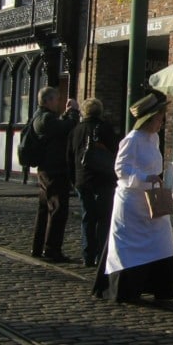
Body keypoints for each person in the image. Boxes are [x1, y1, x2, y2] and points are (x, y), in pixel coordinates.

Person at [93, 92, 173, 303]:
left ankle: (163, 287)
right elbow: (120, 169)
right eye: (160, 117)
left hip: (152, 200)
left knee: (163, 241)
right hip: (132, 203)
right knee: (131, 246)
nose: (163, 121)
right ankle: (126, 289)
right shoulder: (132, 140)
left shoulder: (153, 138)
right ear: (151, 118)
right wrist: (144, 177)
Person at [66, 98, 120, 268]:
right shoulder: (105, 129)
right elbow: (115, 153)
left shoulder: (76, 131)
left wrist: (74, 179)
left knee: (88, 217)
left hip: (83, 180)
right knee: (104, 218)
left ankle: (88, 254)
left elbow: (69, 157)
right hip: (104, 179)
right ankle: (101, 255)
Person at [30, 87, 80, 262]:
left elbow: (59, 127)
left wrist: (66, 115)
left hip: (47, 169)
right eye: (56, 100)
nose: (58, 103)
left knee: (45, 209)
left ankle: (38, 246)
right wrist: (73, 112)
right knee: (58, 210)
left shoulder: (40, 116)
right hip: (54, 170)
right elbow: (66, 128)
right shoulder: (45, 118)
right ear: (48, 101)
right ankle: (51, 249)